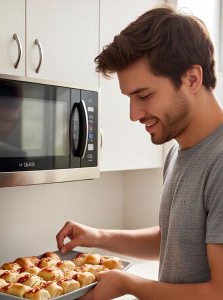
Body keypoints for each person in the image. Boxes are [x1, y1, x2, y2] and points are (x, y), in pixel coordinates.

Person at [56, 5, 223, 300]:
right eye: (129, 98)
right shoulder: (177, 153)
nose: (134, 114)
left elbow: (218, 293)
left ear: (192, 79)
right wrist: (98, 237)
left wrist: (128, 285)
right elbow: (170, 240)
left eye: (144, 95)